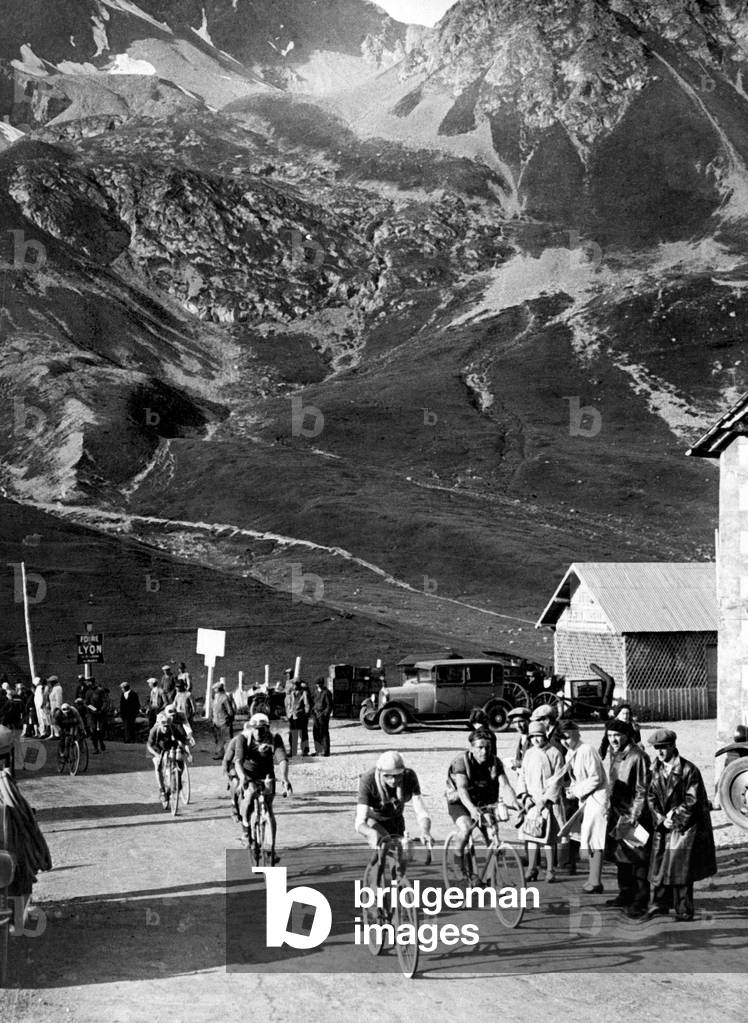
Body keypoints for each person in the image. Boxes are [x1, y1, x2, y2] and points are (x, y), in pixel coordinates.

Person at [644, 729, 717, 922]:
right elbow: (650, 797)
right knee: (659, 866)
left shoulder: (688, 770)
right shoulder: (655, 769)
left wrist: (674, 817)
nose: (659, 752)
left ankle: (684, 909)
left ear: (673, 746)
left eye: (663, 748)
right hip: (664, 825)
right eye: (656, 748)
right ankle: (658, 904)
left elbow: (693, 801)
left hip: (684, 828)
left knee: (681, 871)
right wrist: (660, 818)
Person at [446, 730, 520, 883]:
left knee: (493, 834)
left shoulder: (495, 762)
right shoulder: (461, 762)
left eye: (488, 747)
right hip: (460, 801)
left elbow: (505, 785)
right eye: (480, 747)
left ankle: (490, 876)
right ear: (472, 748)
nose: (484, 751)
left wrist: (514, 803)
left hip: (483, 800)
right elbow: (462, 789)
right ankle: (458, 864)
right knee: (466, 829)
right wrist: (472, 810)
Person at [223, 713, 290, 860]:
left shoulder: (274, 738)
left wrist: (284, 778)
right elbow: (238, 761)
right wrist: (242, 779)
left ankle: (271, 848)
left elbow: (282, 759)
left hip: (266, 775)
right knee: (248, 798)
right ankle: (246, 832)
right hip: (248, 774)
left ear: (267, 728)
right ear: (251, 728)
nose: (258, 732)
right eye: (255, 729)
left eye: (262, 729)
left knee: (269, 808)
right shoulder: (242, 739)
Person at [355, 751, 433, 870]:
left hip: (396, 817)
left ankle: (398, 884)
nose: (393, 780)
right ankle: (374, 881)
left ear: (403, 771)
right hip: (373, 818)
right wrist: (370, 833)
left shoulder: (409, 776)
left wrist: (425, 831)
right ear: (380, 772)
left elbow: (421, 810)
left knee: (399, 863)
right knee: (384, 846)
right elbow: (359, 820)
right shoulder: (368, 780)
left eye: (397, 776)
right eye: (387, 776)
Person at [606, 718, 652, 918]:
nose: (613, 739)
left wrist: (635, 816)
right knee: (621, 857)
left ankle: (640, 901)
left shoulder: (638, 756)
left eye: (617, 735)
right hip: (618, 813)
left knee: (638, 859)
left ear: (626, 735)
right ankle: (625, 894)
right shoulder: (615, 754)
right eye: (609, 736)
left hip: (634, 815)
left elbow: (643, 789)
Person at [558, 720, 609, 893]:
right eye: (561, 738)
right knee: (587, 837)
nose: (565, 741)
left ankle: (595, 881)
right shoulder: (571, 753)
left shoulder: (587, 750)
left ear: (576, 733)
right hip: (586, 799)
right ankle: (594, 880)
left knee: (595, 838)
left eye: (567, 737)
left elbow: (597, 778)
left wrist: (576, 791)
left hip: (597, 798)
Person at [517, 720, 566, 882]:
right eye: (533, 737)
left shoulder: (554, 753)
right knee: (531, 836)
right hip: (531, 801)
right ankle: (532, 868)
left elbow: (558, 779)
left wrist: (545, 799)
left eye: (539, 736)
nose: (536, 740)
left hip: (548, 802)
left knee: (548, 838)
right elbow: (522, 776)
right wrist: (524, 796)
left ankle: (550, 869)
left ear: (544, 735)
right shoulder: (529, 753)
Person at [146, 706, 191, 810]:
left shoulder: (172, 728)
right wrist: (157, 755)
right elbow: (149, 745)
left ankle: (177, 779)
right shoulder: (155, 730)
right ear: (159, 724)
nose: (165, 728)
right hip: (156, 748)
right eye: (163, 726)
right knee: (158, 766)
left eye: (167, 726)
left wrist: (188, 752)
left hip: (169, 745)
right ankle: (162, 790)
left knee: (179, 758)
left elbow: (182, 740)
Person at [52, 702, 86, 768]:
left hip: (72, 724)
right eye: (65, 713)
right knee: (63, 738)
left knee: (74, 736)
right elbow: (55, 724)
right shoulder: (58, 713)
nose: (67, 713)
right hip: (62, 725)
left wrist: (83, 729)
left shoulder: (74, 711)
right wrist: (59, 731)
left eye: (68, 712)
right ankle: (62, 753)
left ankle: (76, 747)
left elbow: (80, 720)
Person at [285, 677, 311, 757]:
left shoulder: (304, 693)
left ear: (299, 685)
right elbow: (288, 705)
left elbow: (307, 705)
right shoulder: (291, 694)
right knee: (292, 734)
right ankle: (293, 751)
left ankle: (305, 751)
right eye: (293, 684)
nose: (295, 686)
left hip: (301, 717)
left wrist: (306, 715)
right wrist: (288, 714)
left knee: (303, 734)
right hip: (292, 716)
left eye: (296, 684)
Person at [211, 680, 235, 760]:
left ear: (218, 689)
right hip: (216, 721)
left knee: (227, 739)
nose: (214, 690)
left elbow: (230, 711)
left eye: (215, 689)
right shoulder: (216, 697)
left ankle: (229, 755)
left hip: (224, 721)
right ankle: (221, 754)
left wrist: (228, 720)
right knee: (219, 739)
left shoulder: (224, 698)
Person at [311, 677, 333, 757]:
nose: (318, 685)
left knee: (324, 733)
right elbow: (312, 702)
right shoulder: (316, 692)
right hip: (315, 714)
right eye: (317, 684)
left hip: (322, 716)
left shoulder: (326, 693)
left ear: (322, 684)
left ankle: (326, 751)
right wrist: (312, 711)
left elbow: (329, 706)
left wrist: (324, 714)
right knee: (316, 733)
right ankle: (318, 750)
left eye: (319, 684)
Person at [85, 679, 107, 754]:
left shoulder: (100, 691)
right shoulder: (88, 692)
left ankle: (101, 742)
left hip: (101, 713)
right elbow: (87, 703)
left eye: (89, 682)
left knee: (101, 729)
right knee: (93, 730)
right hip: (92, 713)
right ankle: (95, 748)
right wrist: (94, 709)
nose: (88, 684)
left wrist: (101, 710)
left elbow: (105, 701)